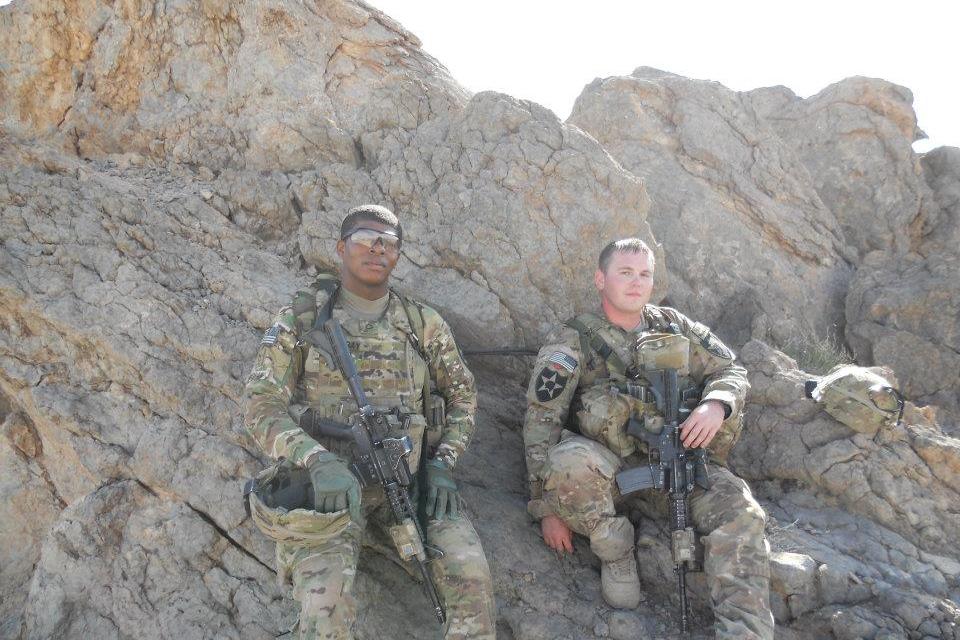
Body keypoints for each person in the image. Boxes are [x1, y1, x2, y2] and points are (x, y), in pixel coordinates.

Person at [243, 205, 496, 639]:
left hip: (410, 484)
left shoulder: (422, 324)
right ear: (341, 248)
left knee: (471, 578)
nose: (378, 249)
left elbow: (463, 397)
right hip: (330, 492)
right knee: (325, 607)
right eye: (365, 239)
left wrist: (442, 465)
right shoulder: (302, 320)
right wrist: (318, 461)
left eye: (390, 243)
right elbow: (261, 403)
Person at [522, 238, 774, 639]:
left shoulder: (675, 326)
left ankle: (745, 632)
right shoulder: (572, 341)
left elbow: (731, 370)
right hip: (613, 474)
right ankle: (616, 550)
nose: (637, 283)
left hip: (684, 466)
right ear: (600, 279)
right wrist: (547, 507)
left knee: (743, 514)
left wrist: (716, 405)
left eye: (645, 274)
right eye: (625, 272)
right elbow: (541, 422)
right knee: (567, 462)